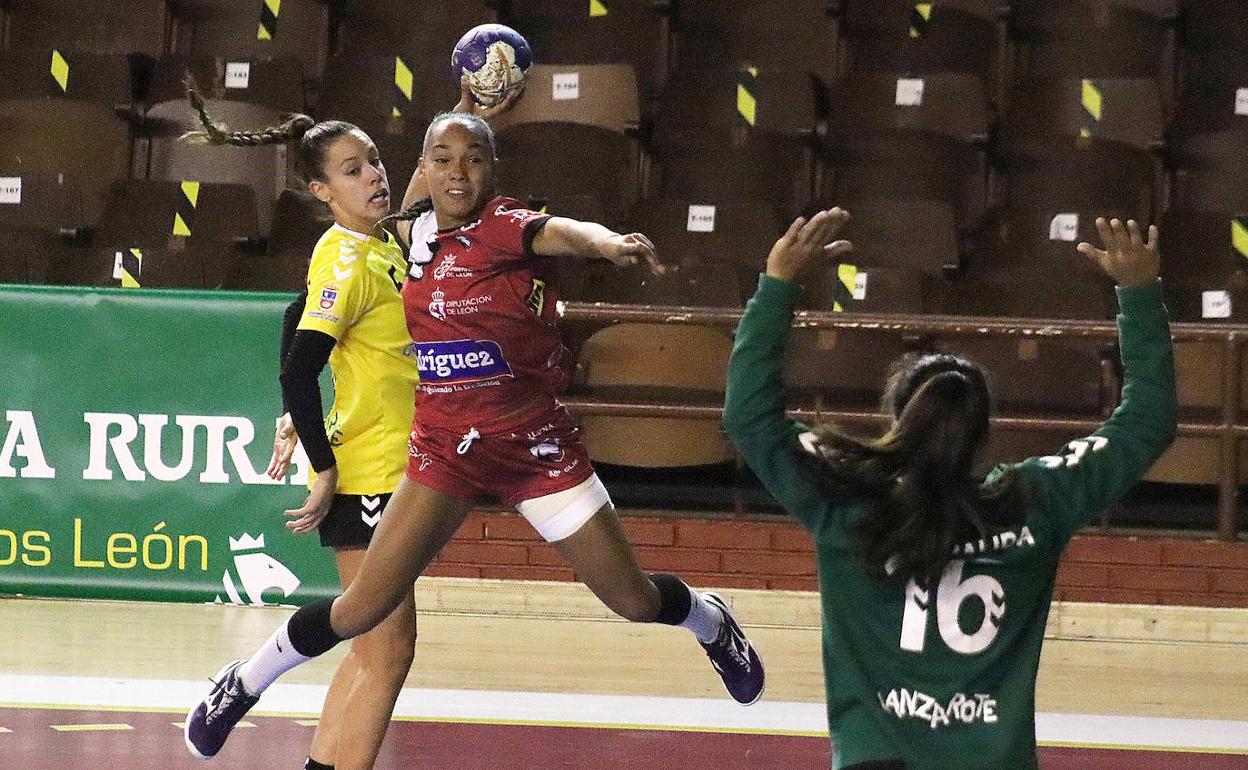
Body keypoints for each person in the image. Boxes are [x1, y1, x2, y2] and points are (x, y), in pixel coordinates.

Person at [185, 109, 766, 762]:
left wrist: (605, 243)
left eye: (473, 158)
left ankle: (707, 619)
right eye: (440, 159)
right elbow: (310, 326)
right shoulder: (405, 235)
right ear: (425, 171)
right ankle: (244, 681)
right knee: (361, 617)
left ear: (492, 170)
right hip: (440, 456)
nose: (454, 171)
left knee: (631, 600)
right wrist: (308, 413)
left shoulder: (498, 227)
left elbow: (557, 233)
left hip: (533, 450)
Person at [722, 209, 1175, 769]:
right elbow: (1148, 422)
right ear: (982, 435)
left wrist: (777, 287)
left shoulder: (846, 496)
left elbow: (749, 418)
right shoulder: (1037, 499)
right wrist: (1139, 294)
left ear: (896, 416)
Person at [180, 83, 517, 770]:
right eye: (354, 170)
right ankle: (244, 681)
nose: (376, 175)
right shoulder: (348, 260)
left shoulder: (378, 241)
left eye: (374, 161)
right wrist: (322, 461)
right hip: (369, 474)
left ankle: (266, 708)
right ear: (321, 190)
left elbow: (294, 314)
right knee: (390, 652)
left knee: (371, 649)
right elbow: (300, 366)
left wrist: (467, 108)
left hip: (403, 467)